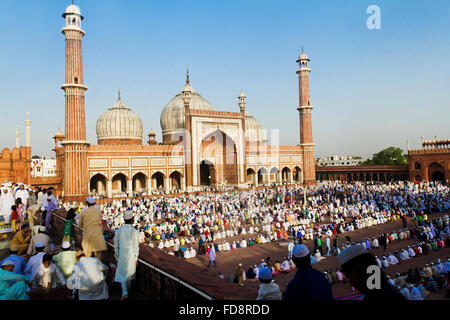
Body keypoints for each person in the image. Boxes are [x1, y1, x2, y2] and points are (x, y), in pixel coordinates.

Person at [338, 244, 406, 300]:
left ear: (359, 272)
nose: (351, 283)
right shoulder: (388, 290)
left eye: (349, 275)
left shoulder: (377, 297)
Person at [114, 211, 140, 300]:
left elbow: (116, 246)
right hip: (131, 255)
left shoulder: (118, 231)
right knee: (128, 275)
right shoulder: (134, 232)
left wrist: (116, 256)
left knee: (122, 274)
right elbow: (136, 247)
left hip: (122, 255)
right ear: (132, 220)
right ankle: (126, 292)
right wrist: (136, 258)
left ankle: (125, 292)